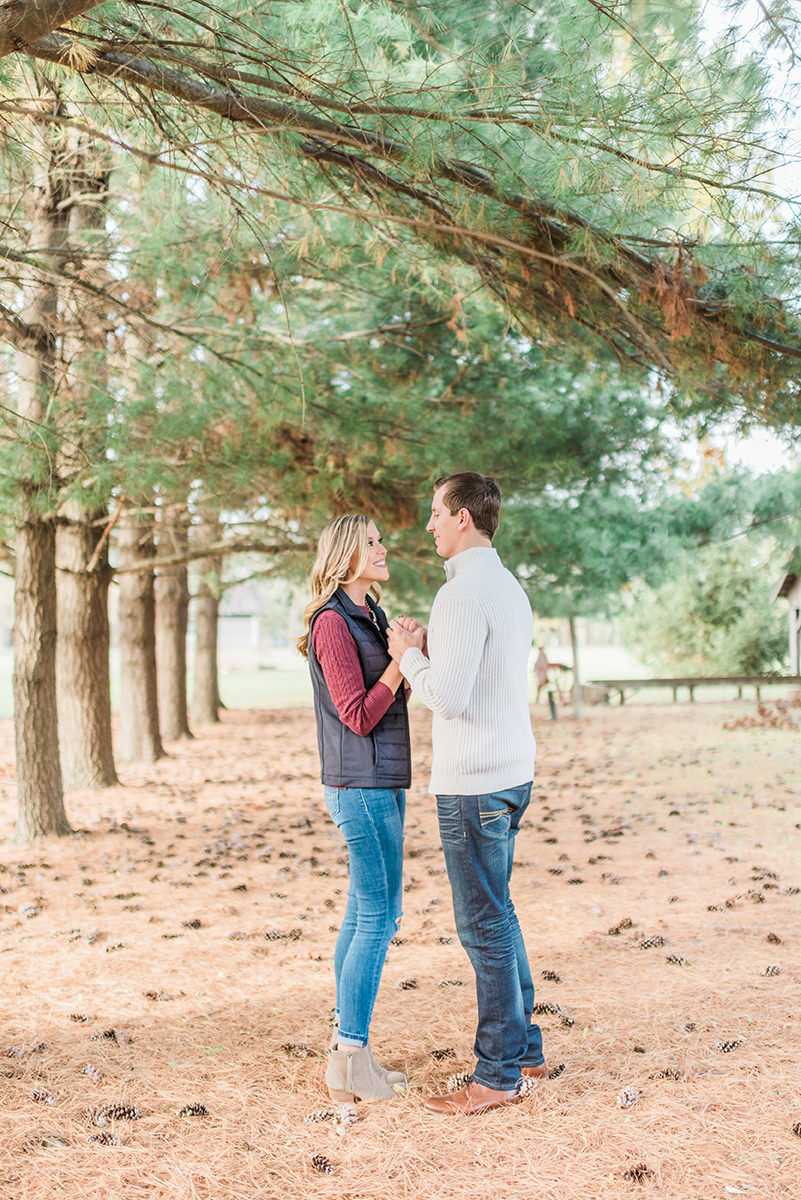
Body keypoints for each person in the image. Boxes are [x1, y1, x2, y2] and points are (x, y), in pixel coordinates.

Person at [387, 472, 545, 1115]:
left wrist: (406, 653)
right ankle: (525, 1049)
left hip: (474, 782)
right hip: (511, 772)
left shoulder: (459, 596)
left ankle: (496, 1075)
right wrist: (429, 654)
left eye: (434, 514)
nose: (428, 525)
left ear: (461, 519)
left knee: (483, 924)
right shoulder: (505, 587)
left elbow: (448, 699)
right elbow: (471, 680)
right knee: (500, 912)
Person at [298, 514, 410, 1104]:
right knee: (379, 918)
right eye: (371, 542)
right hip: (358, 787)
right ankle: (350, 1056)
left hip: (382, 780)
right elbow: (359, 714)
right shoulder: (332, 624)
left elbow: (389, 698)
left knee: (365, 915)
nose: (383, 547)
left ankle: (348, 1057)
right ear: (345, 553)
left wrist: (407, 656)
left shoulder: (369, 615)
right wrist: (400, 661)